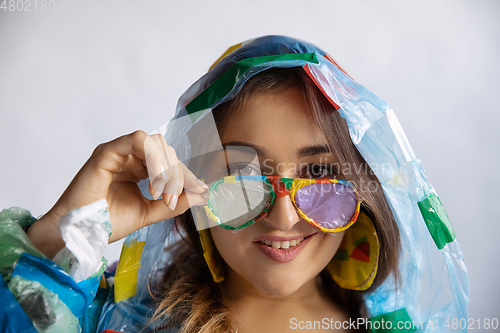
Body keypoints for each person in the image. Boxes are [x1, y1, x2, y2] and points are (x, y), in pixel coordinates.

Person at [1, 36, 469, 333]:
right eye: (243, 174)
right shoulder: (115, 321)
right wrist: (59, 236)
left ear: (363, 189)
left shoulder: (398, 328)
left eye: (321, 173)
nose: (284, 217)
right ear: (193, 187)